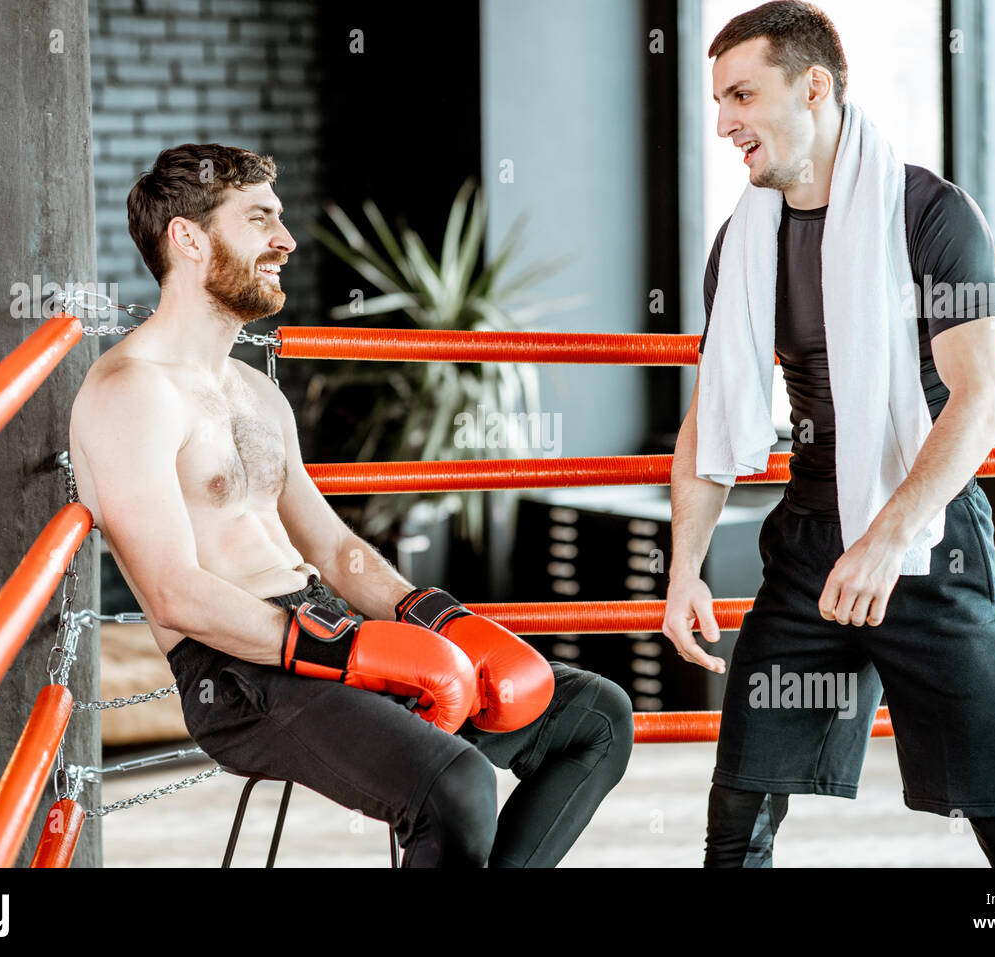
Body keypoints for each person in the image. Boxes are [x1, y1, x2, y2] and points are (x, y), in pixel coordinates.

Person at [68, 143, 633, 867]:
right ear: (189, 238)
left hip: (318, 624)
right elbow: (173, 592)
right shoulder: (129, 392)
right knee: (454, 784)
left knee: (596, 717)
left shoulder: (255, 393)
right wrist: (345, 650)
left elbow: (335, 550)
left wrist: (430, 615)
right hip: (238, 672)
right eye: (259, 219)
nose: (286, 239)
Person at [661, 2, 995, 867]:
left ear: (814, 86)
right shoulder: (743, 240)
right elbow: (712, 410)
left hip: (929, 545)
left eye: (741, 94)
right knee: (736, 824)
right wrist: (683, 566)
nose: (725, 121)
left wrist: (885, 542)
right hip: (809, 545)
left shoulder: (933, 214)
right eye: (718, 100)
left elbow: (981, 399)